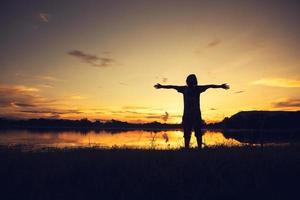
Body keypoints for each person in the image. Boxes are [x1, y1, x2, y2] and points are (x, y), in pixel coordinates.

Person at [154, 74, 229, 148]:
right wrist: (161, 86)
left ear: (195, 81)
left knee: (198, 132)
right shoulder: (184, 89)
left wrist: (221, 86)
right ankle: (187, 148)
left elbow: (210, 86)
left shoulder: (198, 89)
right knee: (187, 133)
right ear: (187, 81)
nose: (191, 81)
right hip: (187, 115)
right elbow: (172, 86)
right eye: (190, 79)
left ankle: (199, 148)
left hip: (196, 114)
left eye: (193, 79)